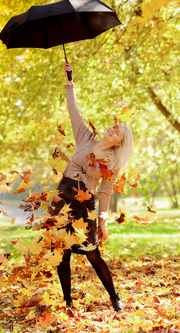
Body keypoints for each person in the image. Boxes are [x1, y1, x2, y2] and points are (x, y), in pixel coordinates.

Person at [48, 62, 133, 312]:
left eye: (117, 131)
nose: (112, 128)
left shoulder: (112, 164)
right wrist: (69, 81)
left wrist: (103, 221)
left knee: (92, 253)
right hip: (63, 193)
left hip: (85, 203)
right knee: (60, 251)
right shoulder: (86, 137)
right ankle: (67, 302)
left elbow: (105, 192)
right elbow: (73, 109)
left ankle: (115, 297)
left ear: (119, 143)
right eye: (113, 125)